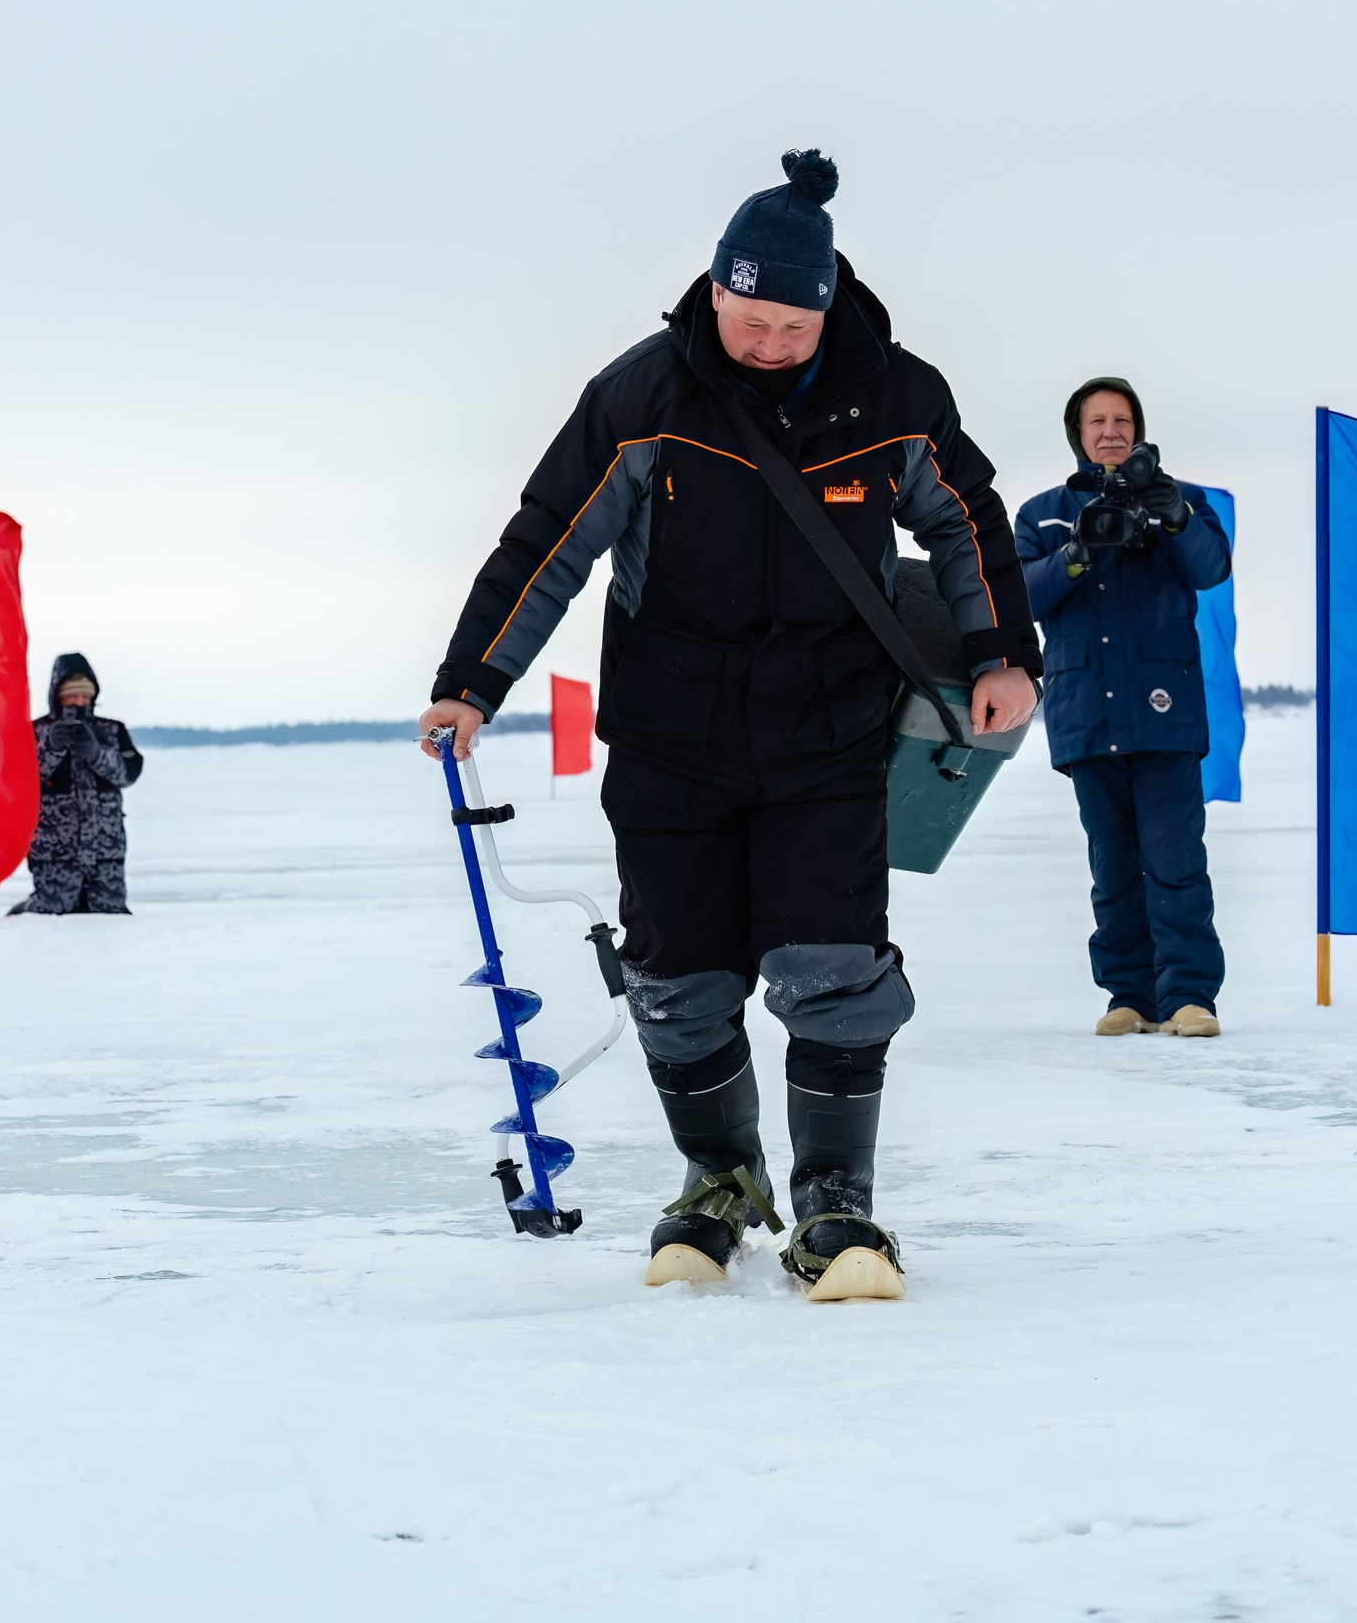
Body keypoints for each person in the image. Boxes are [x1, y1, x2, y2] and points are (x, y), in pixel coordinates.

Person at [415, 150, 1041, 1298]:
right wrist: (474, 681)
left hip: (828, 734)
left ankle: (835, 1205)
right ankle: (719, 1182)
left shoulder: (894, 395)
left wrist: (1001, 653)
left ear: (825, 303)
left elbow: (967, 522)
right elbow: (548, 537)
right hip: (670, 735)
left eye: (787, 327)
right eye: (745, 319)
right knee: (677, 974)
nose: (763, 343)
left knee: (835, 964)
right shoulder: (643, 395)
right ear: (712, 293)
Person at [1011, 379, 1232, 1038]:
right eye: (1097, 421)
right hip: (1088, 713)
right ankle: (1129, 995)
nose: (1111, 431)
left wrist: (1177, 518)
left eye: (1122, 419)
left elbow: (1211, 568)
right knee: (1113, 864)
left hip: (1165, 711)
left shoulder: (1181, 499)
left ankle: (1189, 995)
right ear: (1076, 433)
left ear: (1138, 429)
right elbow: (1020, 595)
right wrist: (1077, 553)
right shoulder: (1042, 515)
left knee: (1173, 858)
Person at [14, 653, 143, 915]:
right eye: (73, 696)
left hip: (105, 851)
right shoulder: (35, 731)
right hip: (54, 853)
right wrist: (50, 748)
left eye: (85, 696)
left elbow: (126, 775)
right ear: (57, 695)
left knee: (111, 919)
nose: (80, 702)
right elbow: (22, 781)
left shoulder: (113, 731)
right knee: (50, 919)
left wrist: (95, 752)